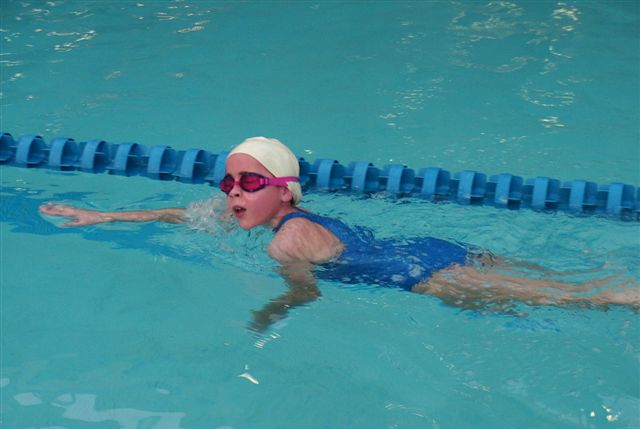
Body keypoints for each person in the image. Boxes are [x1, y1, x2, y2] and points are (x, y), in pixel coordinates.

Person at [40, 136, 639, 330]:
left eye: (248, 183)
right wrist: (105, 217)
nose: (233, 195)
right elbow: (181, 215)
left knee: (572, 297)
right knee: (562, 278)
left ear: (283, 190)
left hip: (426, 276)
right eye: (228, 185)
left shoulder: (285, 240)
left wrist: (269, 312)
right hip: (437, 249)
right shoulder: (279, 216)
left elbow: (307, 291)